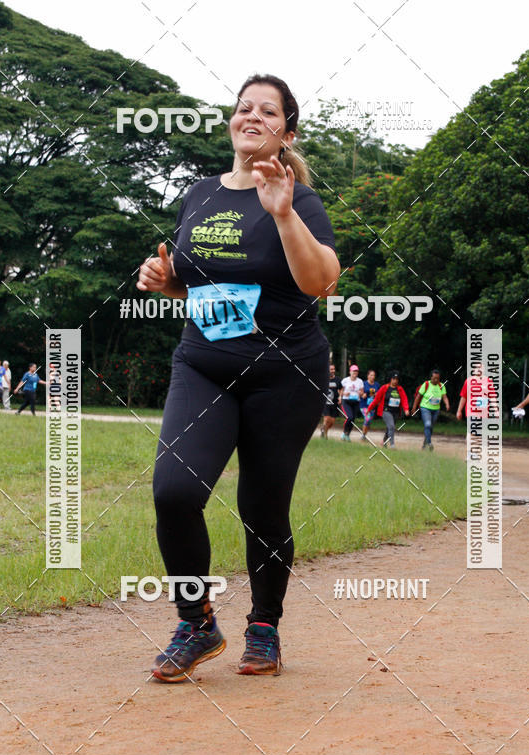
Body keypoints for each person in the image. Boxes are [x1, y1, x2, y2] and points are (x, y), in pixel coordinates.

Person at [137, 73, 340, 681]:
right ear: (232, 120)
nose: (252, 116)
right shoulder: (198, 195)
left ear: (287, 131)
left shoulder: (299, 200)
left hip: (285, 374)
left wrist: (280, 215)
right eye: (244, 107)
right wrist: (164, 278)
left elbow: (322, 282)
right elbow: (197, 283)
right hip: (203, 365)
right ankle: (196, 622)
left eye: (268, 111)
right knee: (174, 490)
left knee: (263, 505)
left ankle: (264, 626)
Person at [367, 371, 409, 448]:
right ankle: (392, 444)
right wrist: (369, 409)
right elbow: (376, 399)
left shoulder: (400, 389)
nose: (395, 381)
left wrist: (406, 409)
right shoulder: (384, 388)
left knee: (390, 427)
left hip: (395, 412)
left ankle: (384, 441)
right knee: (391, 426)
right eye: (393, 379)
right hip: (385, 411)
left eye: (397, 379)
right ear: (390, 379)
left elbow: (404, 399)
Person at [411, 369, 450, 450]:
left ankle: (425, 444)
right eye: (434, 378)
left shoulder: (441, 386)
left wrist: (447, 404)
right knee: (428, 424)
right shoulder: (426, 384)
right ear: (431, 377)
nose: (436, 380)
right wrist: (414, 408)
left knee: (430, 427)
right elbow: (418, 396)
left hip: (436, 410)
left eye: (437, 378)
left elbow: (444, 396)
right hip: (425, 408)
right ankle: (429, 443)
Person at [340, 364, 364, 441]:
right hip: (346, 401)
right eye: (354, 371)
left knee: (353, 419)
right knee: (349, 417)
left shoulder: (360, 381)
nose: (355, 372)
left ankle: (348, 434)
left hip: (356, 402)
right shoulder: (345, 380)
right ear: (350, 372)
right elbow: (340, 391)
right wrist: (344, 393)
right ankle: (344, 432)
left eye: (356, 371)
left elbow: (362, 392)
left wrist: (361, 393)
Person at [321, 363, 343, 438]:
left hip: (334, 403)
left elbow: (341, 389)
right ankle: (324, 432)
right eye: (331, 369)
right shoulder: (323, 379)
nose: (333, 371)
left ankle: (324, 431)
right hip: (325, 402)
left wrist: (340, 396)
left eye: (333, 369)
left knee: (332, 421)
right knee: (327, 418)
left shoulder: (338, 380)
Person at [360, 369, 380, 441]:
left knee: (369, 422)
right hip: (364, 405)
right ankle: (363, 435)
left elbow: (379, 394)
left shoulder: (377, 384)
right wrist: (362, 394)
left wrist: (376, 395)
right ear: (368, 376)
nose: (372, 377)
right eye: (371, 375)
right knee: (367, 419)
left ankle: (364, 435)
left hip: (372, 406)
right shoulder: (364, 383)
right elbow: (360, 392)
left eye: (374, 375)